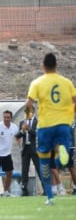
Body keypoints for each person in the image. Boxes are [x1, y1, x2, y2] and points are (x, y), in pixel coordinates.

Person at [24, 52, 76, 205]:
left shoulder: (37, 83)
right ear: (56, 65)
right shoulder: (66, 82)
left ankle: (50, 197)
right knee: (61, 158)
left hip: (45, 126)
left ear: (43, 66)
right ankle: (61, 157)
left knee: (44, 162)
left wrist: (27, 120)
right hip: (63, 125)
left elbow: (29, 104)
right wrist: (70, 113)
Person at [14, 107, 44, 196]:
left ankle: (45, 188)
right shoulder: (22, 122)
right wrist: (23, 130)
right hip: (25, 148)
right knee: (24, 169)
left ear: (33, 112)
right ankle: (24, 188)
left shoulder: (38, 122)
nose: (28, 114)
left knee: (39, 168)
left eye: (29, 112)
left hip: (35, 149)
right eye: (26, 112)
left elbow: (37, 134)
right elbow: (17, 136)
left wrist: (29, 129)